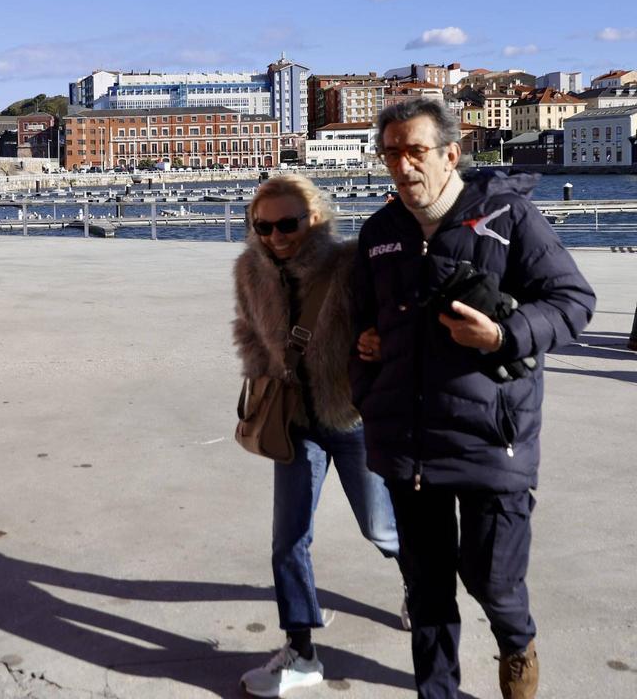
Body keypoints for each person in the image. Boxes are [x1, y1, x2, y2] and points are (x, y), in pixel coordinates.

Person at [352, 98, 595, 699]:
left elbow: (572, 300)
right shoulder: (380, 233)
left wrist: (503, 336)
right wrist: (367, 371)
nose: (402, 165)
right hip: (408, 445)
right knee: (427, 591)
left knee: (494, 580)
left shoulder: (507, 216)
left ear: (451, 154)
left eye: (415, 151)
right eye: (390, 153)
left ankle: (517, 644)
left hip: (493, 440)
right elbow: (356, 326)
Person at [233, 175, 405, 698]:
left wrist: (374, 350)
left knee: (380, 528)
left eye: (288, 224)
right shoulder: (249, 270)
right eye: (263, 226)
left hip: (349, 418)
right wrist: (263, 372)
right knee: (289, 541)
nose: (276, 236)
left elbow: (388, 323)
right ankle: (301, 648)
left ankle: (418, 585)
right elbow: (246, 327)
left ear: (316, 219)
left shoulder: (350, 266)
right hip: (292, 422)